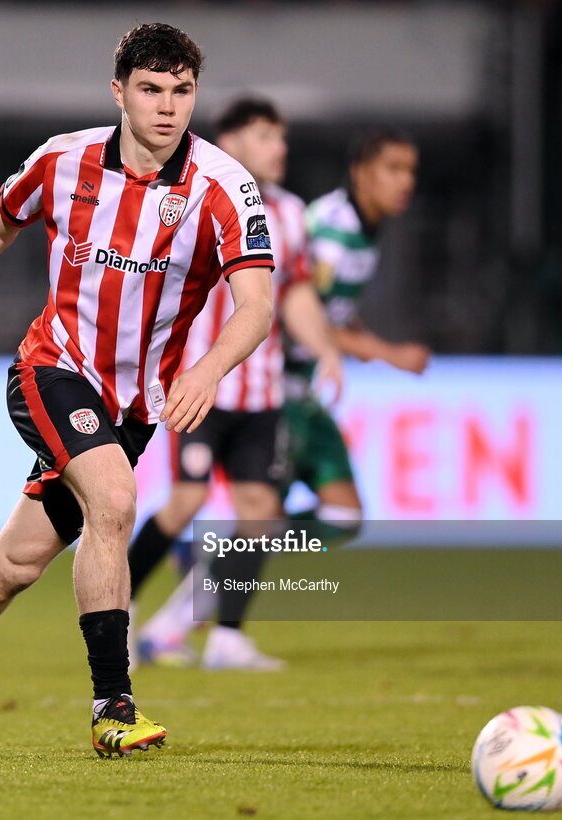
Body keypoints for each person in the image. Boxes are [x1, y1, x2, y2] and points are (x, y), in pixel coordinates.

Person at [0, 23, 275, 760]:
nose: (167, 108)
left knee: (13, 567)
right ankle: (114, 708)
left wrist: (204, 371)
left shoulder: (224, 186)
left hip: (133, 407)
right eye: (150, 89)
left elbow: (256, 304)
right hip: (52, 369)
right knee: (116, 502)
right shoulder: (64, 160)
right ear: (119, 92)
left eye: (182, 91)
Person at [126, 97, 343, 671]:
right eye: (268, 136)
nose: (281, 148)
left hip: (263, 394)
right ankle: (116, 609)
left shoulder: (291, 213)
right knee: (186, 502)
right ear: (233, 139)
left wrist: (324, 348)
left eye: (282, 136)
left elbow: (291, 294)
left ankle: (226, 637)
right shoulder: (192, 193)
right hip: (200, 385)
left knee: (259, 511)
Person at [284, 129, 430, 538]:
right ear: (360, 173)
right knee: (258, 514)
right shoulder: (332, 232)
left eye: (411, 170)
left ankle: (215, 556)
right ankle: (203, 579)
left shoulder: (365, 226)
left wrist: (357, 333)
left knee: (344, 515)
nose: (406, 181)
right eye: (393, 169)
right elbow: (299, 318)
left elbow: (332, 309)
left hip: (301, 390)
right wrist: (386, 352)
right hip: (272, 390)